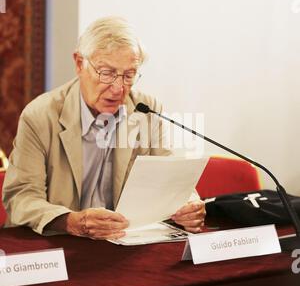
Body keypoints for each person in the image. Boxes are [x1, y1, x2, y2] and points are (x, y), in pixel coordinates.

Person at [2, 16, 205, 240]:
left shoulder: (146, 110)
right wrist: (70, 221)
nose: (118, 88)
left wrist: (189, 205)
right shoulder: (41, 115)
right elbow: (21, 197)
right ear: (80, 64)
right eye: (107, 73)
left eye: (129, 75)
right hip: (59, 243)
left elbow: (170, 178)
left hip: (121, 242)